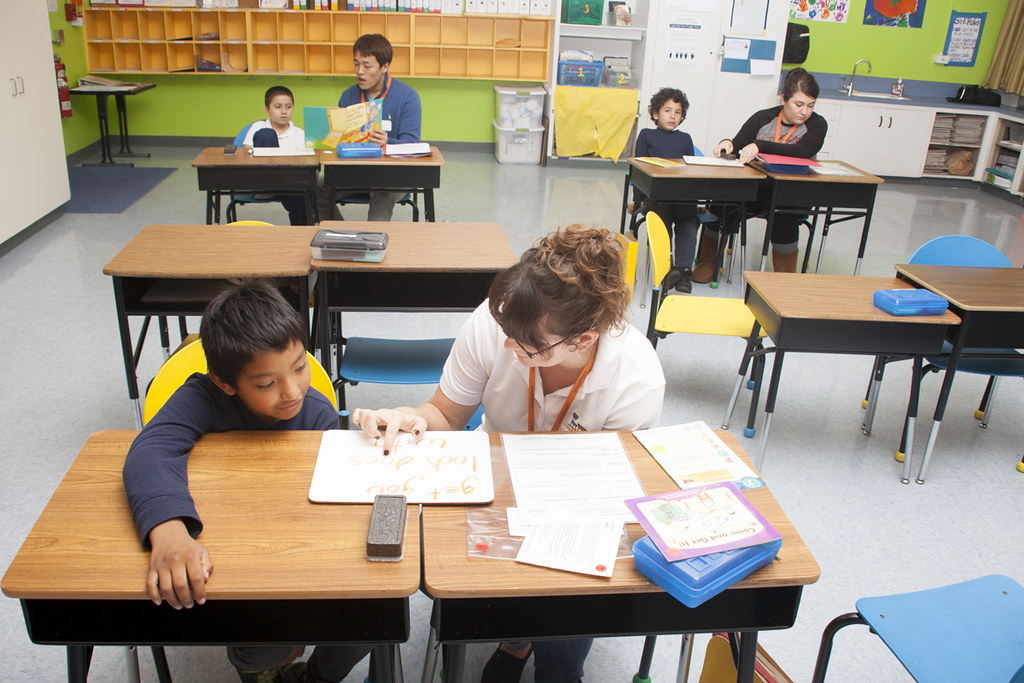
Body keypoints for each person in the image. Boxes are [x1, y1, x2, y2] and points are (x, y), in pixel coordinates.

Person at [352, 225, 666, 683]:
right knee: (469, 603)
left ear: (583, 339)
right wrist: (403, 416)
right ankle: (515, 641)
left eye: (528, 346)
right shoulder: (497, 320)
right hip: (491, 482)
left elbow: (606, 495)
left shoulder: (635, 380)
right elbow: (443, 412)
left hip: (576, 502)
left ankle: (553, 663)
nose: (508, 348)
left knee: (566, 625)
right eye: (507, 333)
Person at [122, 282, 370, 683]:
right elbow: (149, 452)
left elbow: (326, 502)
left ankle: (315, 677)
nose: (292, 392)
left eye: (299, 367)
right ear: (225, 382)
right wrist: (168, 533)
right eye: (266, 383)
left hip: (292, 554)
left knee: (369, 620)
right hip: (231, 561)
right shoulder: (201, 398)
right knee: (261, 641)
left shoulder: (317, 414)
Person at [707, 67, 827, 276]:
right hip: (758, 190)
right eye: (798, 104)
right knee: (722, 199)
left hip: (793, 192)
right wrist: (726, 143)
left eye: (810, 105)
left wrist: (760, 145)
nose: (804, 111)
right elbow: (737, 144)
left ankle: (784, 276)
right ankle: (708, 263)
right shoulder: (763, 118)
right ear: (784, 99)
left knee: (783, 211)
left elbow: (802, 152)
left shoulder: (817, 124)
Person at [336, 33, 422, 222]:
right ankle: (341, 235)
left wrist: (387, 142)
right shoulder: (348, 96)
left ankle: (371, 245)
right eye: (356, 64)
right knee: (313, 188)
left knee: (381, 193)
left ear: (385, 66)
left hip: (392, 176)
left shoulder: (408, 97)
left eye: (367, 66)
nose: (360, 71)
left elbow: (412, 145)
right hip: (356, 172)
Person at [631, 87, 699, 293]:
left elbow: (690, 171)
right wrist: (637, 201)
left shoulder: (685, 139)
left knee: (689, 221)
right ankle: (667, 270)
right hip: (657, 196)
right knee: (661, 220)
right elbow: (638, 171)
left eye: (677, 112)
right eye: (667, 110)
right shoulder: (646, 135)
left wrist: (697, 202)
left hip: (682, 196)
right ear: (655, 114)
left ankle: (684, 272)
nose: (673, 116)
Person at [244, 85, 312, 226]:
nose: (284, 111)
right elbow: (245, 152)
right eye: (278, 106)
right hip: (261, 179)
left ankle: (300, 234)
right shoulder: (258, 127)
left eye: (288, 107)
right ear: (267, 110)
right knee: (266, 134)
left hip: (287, 183)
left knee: (301, 196)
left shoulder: (299, 133)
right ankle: (266, 187)